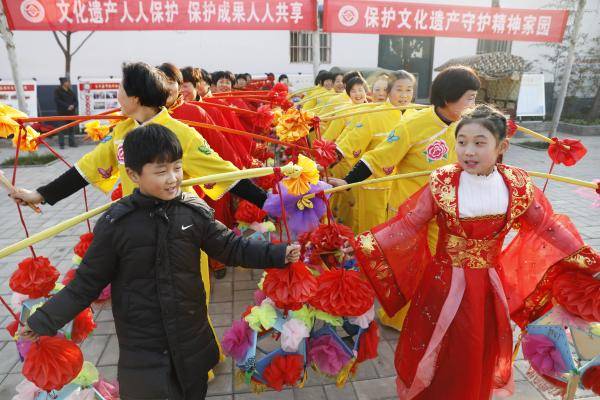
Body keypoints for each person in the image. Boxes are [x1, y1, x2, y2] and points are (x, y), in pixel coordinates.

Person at [21, 124, 301, 400]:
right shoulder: (116, 224)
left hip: (192, 340)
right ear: (133, 174)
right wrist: (44, 320)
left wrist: (277, 254)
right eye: (160, 171)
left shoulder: (192, 211)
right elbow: (86, 283)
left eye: (177, 168)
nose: (172, 178)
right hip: (144, 350)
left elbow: (230, 248)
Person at [353, 104, 600, 400]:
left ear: (501, 146)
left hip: (486, 286)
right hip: (441, 284)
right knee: (439, 342)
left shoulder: (517, 185)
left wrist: (587, 259)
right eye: (462, 142)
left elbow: (546, 227)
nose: (468, 151)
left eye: (479, 143)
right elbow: (410, 224)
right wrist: (362, 244)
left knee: (475, 346)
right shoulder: (443, 182)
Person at [10, 62, 269, 305]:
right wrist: (40, 194)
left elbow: (225, 175)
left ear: (135, 98)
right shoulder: (122, 132)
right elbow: (86, 168)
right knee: (145, 308)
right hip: (136, 234)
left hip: (180, 232)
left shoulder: (182, 133)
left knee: (188, 308)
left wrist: (271, 203)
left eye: (121, 89)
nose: (117, 96)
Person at [329, 66, 480, 330]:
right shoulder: (413, 124)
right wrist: (348, 181)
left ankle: (422, 312)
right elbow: (379, 157)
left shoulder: (466, 127)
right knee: (407, 267)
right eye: (469, 97)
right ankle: (396, 318)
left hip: (444, 210)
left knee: (434, 264)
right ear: (448, 98)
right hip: (411, 211)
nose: (473, 104)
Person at [54, 77, 78, 149]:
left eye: (69, 82)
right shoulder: (58, 91)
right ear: (63, 83)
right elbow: (57, 100)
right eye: (68, 82)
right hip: (62, 113)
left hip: (71, 113)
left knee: (71, 128)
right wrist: (67, 106)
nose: (69, 83)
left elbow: (76, 101)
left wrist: (73, 106)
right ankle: (61, 144)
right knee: (61, 129)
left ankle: (72, 143)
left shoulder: (70, 91)